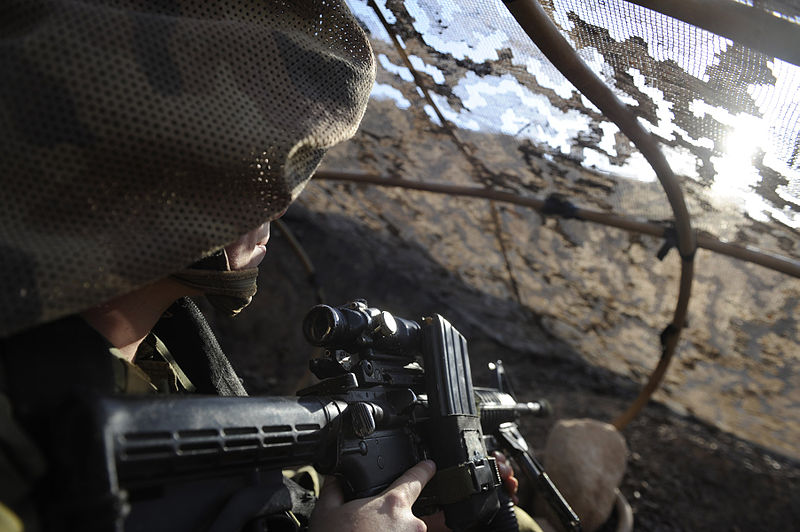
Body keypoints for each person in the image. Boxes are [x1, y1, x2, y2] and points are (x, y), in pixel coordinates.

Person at [0, 2, 536, 530]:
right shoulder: (27, 422)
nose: (276, 209)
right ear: (155, 190)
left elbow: (241, 488)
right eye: (247, 181)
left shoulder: (168, 352)